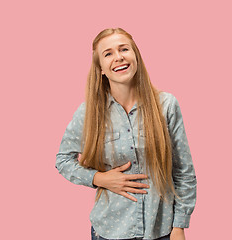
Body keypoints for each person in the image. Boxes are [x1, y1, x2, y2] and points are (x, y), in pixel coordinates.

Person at [55, 28, 197, 240]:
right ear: (101, 68)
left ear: (135, 56)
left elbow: (183, 170)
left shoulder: (166, 105)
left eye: (124, 49)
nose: (118, 57)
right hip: (110, 230)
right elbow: (63, 160)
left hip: (162, 231)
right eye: (108, 53)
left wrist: (180, 225)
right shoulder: (89, 113)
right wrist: (99, 179)